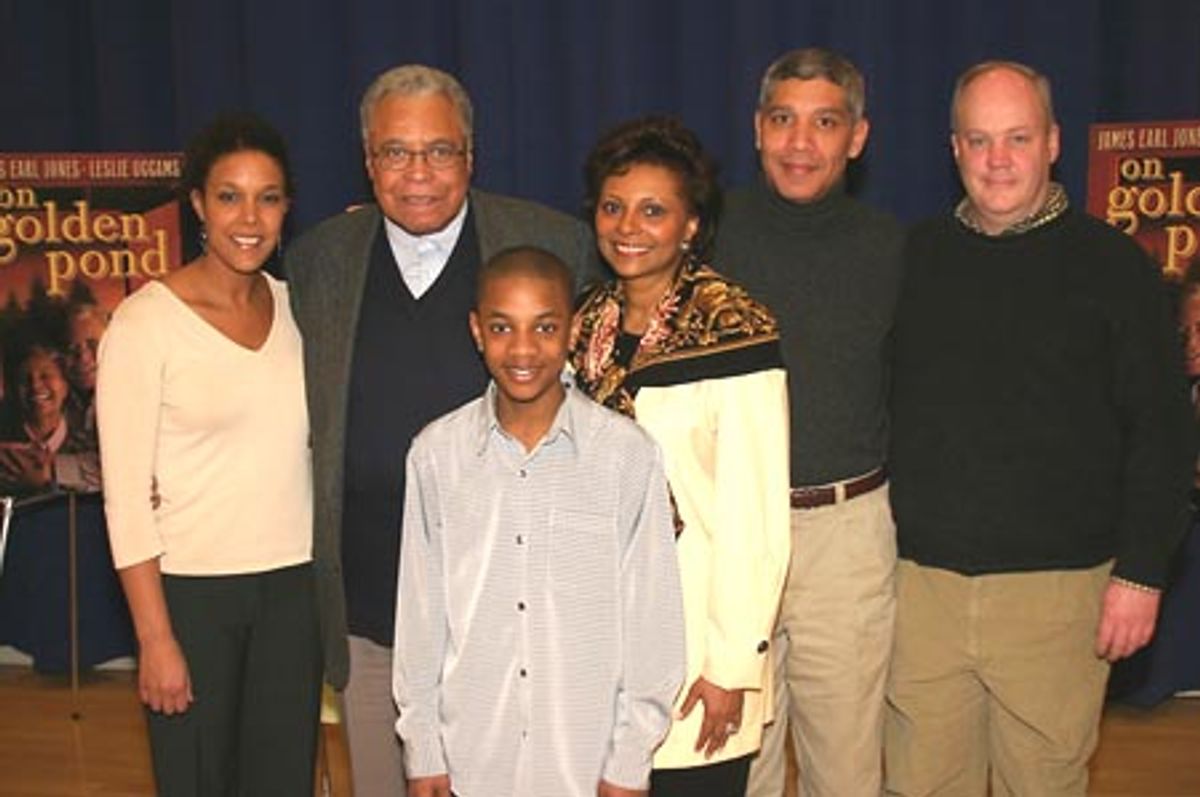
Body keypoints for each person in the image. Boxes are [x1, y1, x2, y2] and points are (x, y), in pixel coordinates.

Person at [284, 63, 600, 794]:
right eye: (396, 152)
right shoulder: (317, 262)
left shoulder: (554, 242)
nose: (418, 173)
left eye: (439, 151)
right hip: (373, 617)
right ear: (368, 163)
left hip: (517, 616)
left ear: (471, 155)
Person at [885, 60, 1193, 795]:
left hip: (1060, 597)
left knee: (1044, 784)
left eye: (1017, 138)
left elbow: (1164, 430)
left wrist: (1143, 571)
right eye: (980, 139)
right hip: (920, 590)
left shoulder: (1115, 266)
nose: (998, 160)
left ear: (1053, 142)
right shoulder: (912, 259)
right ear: (954, 147)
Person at [394, 246, 685, 797]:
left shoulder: (626, 455)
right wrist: (423, 747)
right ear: (477, 331)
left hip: (584, 763)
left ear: (574, 330)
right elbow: (421, 617)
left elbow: (653, 624)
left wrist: (629, 759)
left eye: (545, 327)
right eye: (503, 327)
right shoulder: (436, 455)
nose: (523, 349)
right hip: (471, 762)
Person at [97, 113, 321, 795]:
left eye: (269, 196)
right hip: (190, 598)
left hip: (294, 592)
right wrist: (155, 637)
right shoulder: (144, 325)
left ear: (287, 207)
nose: (249, 217)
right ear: (196, 203)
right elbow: (126, 499)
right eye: (229, 196)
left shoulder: (299, 308)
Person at [570, 115, 790, 796]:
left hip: (699, 649)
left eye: (653, 210)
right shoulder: (582, 323)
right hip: (595, 647)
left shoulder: (736, 327)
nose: (628, 226)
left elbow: (755, 521)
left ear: (691, 223)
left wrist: (731, 667)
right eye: (613, 206)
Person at [714, 48, 904, 797]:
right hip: (730, 536)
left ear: (856, 137)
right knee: (737, 769)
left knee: (847, 771)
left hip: (845, 534)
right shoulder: (702, 238)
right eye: (784, 121)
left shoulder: (892, 249)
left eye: (824, 123)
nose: (801, 143)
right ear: (758, 130)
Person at [0, 338, 98, 494]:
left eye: (45, 376)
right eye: (25, 379)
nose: (35, 385)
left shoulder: (89, 446)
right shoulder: (5, 447)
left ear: (65, 386)